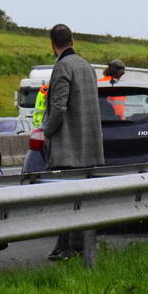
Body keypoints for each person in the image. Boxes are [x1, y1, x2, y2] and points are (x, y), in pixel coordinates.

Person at [43, 23, 104, 260]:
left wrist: (47, 131)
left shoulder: (62, 67)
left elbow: (58, 106)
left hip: (68, 149)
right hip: (89, 147)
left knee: (66, 201)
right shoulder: (86, 67)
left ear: (52, 44)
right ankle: (80, 246)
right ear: (72, 41)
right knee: (83, 200)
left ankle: (65, 247)